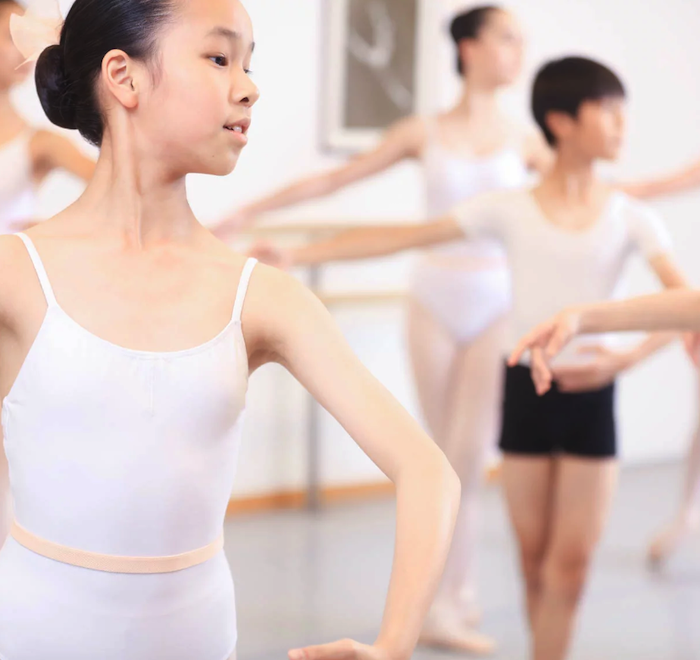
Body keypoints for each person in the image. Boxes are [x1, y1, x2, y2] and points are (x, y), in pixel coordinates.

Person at [0, 1, 463, 659]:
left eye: (248, 63)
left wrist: (393, 645)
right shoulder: (16, 273)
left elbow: (427, 471)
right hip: (33, 632)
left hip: (195, 635)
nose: (248, 86)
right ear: (123, 78)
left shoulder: (261, 297)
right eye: (219, 58)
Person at [250, 56, 688, 660]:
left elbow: (682, 303)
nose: (622, 127)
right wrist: (301, 256)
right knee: (534, 564)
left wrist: (626, 360)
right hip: (525, 390)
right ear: (561, 121)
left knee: (573, 567)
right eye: (607, 112)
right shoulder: (509, 207)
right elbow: (402, 239)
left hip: (593, 398)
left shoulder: (630, 216)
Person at [215, 7, 551, 652]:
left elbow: (584, 200)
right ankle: (441, 598)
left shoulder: (525, 140)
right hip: (434, 297)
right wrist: (248, 210)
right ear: (471, 48)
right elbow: (335, 178)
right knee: (435, 454)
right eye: (508, 38)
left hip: (493, 300)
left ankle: (452, 598)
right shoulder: (422, 130)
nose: (518, 52)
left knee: (471, 455)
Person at [0, 0, 94, 551]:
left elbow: (122, 184)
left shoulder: (37, 142)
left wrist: (44, 233)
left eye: (16, 36)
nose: (9, 47)